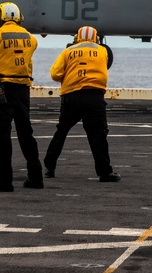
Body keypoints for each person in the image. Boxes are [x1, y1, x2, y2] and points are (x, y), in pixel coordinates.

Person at [0, 1, 44, 192]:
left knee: (1, 134)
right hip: (23, 89)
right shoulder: (31, 38)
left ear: (0, 16)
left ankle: (4, 181)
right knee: (26, 133)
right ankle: (36, 177)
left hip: (2, 89)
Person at [44, 26, 120, 182]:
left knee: (61, 132)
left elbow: (55, 74)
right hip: (94, 98)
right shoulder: (102, 51)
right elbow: (104, 65)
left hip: (71, 97)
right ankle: (104, 172)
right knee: (98, 136)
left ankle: (49, 168)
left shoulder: (68, 51)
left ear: (77, 38)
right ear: (95, 38)